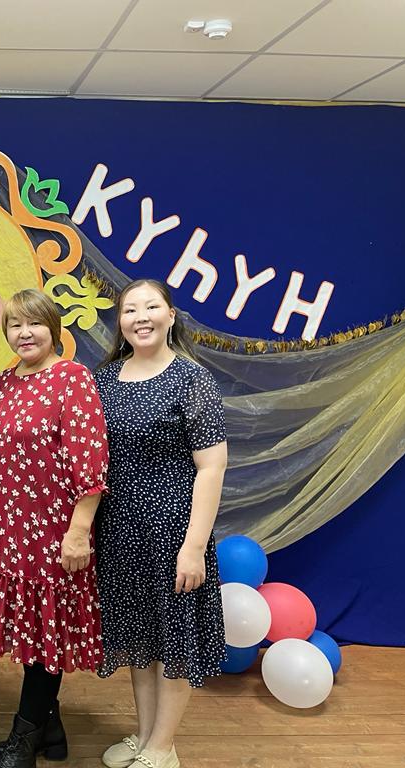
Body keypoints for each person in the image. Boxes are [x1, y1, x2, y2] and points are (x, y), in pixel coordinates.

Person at [94, 279, 228, 768]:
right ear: (120, 322)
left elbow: (212, 467)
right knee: (139, 636)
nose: (140, 317)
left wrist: (193, 547)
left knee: (173, 637)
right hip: (119, 531)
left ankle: (162, 747)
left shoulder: (192, 380)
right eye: (130, 309)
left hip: (173, 531)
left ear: (171, 316)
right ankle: (145, 733)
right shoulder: (105, 379)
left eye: (151, 307)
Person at [0, 288, 109, 768]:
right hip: (6, 530)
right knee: (32, 633)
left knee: (45, 631)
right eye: (15, 325)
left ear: (53, 328)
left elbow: (91, 462)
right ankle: (51, 731)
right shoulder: (3, 382)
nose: (24, 333)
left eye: (34, 323)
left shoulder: (72, 379)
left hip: (53, 530)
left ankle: (23, 738)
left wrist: (79, 530)